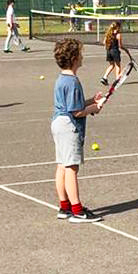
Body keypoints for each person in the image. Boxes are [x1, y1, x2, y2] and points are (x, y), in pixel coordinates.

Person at [51, 37, 104, 222]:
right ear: (74, 58)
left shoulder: (62, 79)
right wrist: (94, 108)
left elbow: (73, 105)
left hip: (58, 123)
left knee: (62, 166)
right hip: (68, 126)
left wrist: (91, 100)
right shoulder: (72, 81)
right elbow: (77, 111)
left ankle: (64, 207)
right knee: (71, 168)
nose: (82, 57)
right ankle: (77, 210)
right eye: (80, 54)